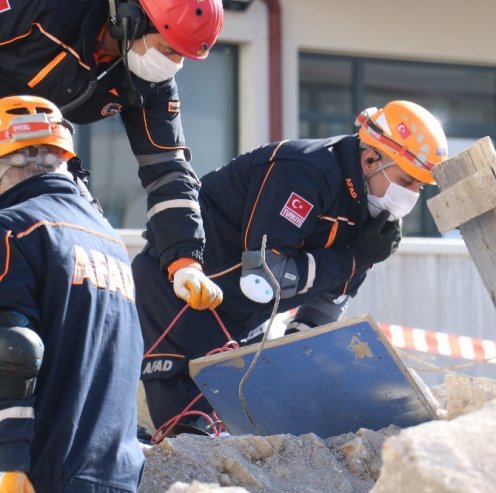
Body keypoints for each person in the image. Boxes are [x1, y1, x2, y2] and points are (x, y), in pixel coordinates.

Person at [133, 100, 449, 436]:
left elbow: (330, 298)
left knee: (253, 436)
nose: (412, 195)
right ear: (371, 159)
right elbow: (263, 277)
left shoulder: (370, 210)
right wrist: (352, 259)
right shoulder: (305, 172)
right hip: (181, 297)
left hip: (244, 317)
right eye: (407, 180)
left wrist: (299, 352)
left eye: (419, 186)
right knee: (193, 437)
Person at [0, 0, 224, 312]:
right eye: (169, 49)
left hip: (38, 149)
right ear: (130, 18)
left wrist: (185, 261)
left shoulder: (151, 83)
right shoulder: (46, 8)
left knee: (90, 241)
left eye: (182, 56)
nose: (173, 64)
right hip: (8, 136)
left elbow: (168, 169)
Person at [0, 96, 144, 492]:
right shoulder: (111, 241)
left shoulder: (12, 230)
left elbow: (12, 349)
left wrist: (7, 462)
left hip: (35, 473)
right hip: (116, 474)